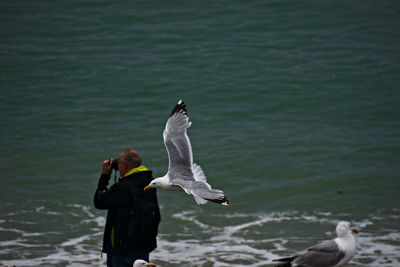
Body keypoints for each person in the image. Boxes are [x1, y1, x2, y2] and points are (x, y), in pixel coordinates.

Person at [94, 149, 160, 267]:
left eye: (118, 163)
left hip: (121, 248)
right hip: (143, 243)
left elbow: (99, 201)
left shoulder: (122, 187)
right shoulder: (149, 181)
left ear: (124, 165)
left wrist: (105, 176)